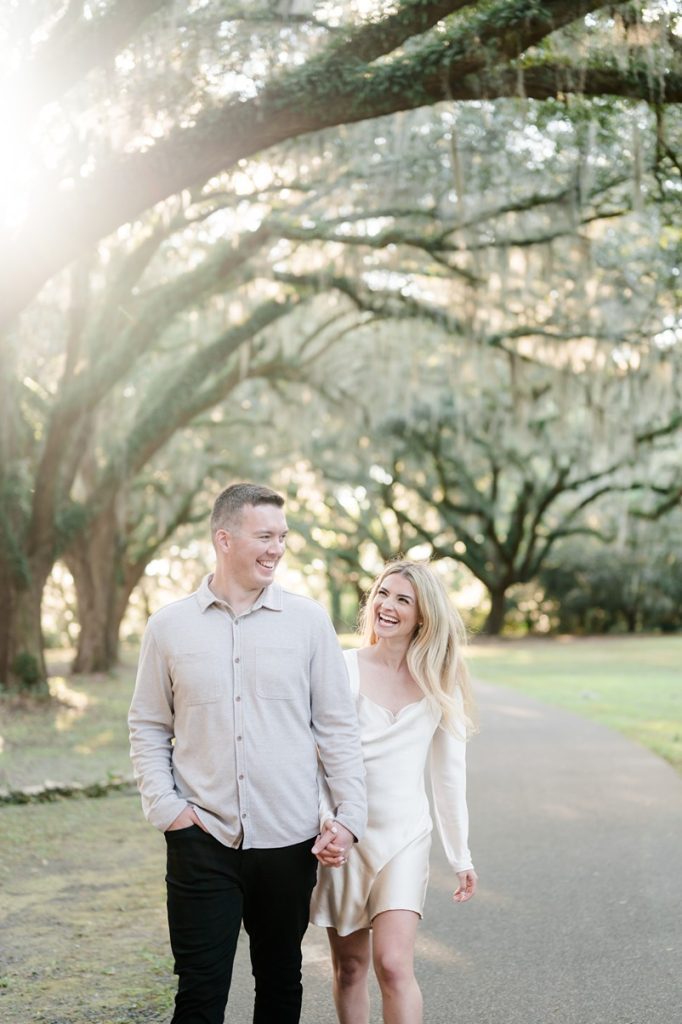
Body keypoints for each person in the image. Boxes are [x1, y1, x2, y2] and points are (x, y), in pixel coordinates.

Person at [128, 482, 367, 1024]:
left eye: (282, 537)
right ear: (224, 539)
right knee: (199, 991)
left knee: (280, 980)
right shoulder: (168, 627)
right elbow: (146, 724)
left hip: (288, 839)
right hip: (201, 837)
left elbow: (337, 726)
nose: (277, 548)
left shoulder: (307, 623)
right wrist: (168, 810)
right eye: (264, 536)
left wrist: (350, 816)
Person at [310, 559, 477, 1024]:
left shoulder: (441, 682)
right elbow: (317, 761)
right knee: (350, 967)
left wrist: (459, 854)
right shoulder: (341, 668)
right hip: (345, 836)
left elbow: (449, 775)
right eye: (383, 593)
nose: (386, 605)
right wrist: (330, 821)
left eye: (403, 599)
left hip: (405, 837)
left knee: (393, 964)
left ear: (422, 614)